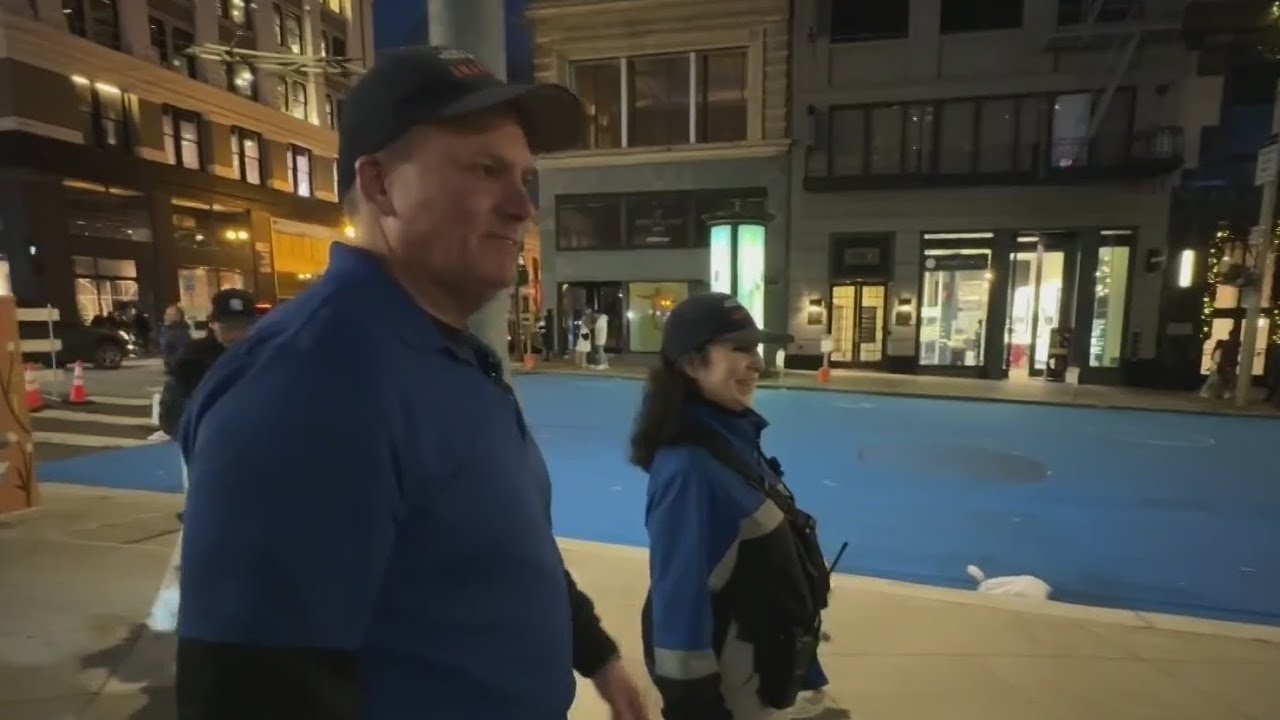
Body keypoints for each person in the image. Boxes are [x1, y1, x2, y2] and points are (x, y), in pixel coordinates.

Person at [174, 45, 647, 720]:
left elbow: (497, 548)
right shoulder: (311, 386)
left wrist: (594, 653)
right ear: (378, 184)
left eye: (526, 178)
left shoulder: (438, 351)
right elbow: (254, 689)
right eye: (486, 170)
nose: (523, 207)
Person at [629, 292, 841, 720]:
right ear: (692, 364)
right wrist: (694, 707)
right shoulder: (691, 470)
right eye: (740, 349)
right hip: (736, 694)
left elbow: (769, 583)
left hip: (767, 677)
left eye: (756, 349)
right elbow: (680, 607)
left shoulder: (733, 442)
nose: (757, 363)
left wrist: (807, 675)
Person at [157, 289, 256, 437]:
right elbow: (171, 416)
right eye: (228, 327)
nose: (236, 335)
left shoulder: (265, 355)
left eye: (243, 327)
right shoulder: (192, 359)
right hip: (210, 444)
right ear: (213, 324)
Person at [158, 304, 193, 371]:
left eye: (169, 315)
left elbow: (183, 354)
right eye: (166, 314)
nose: (165, 317)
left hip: (179, 369)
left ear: (177, 317)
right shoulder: (169, 330)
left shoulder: (180, 333)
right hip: (173, 368)